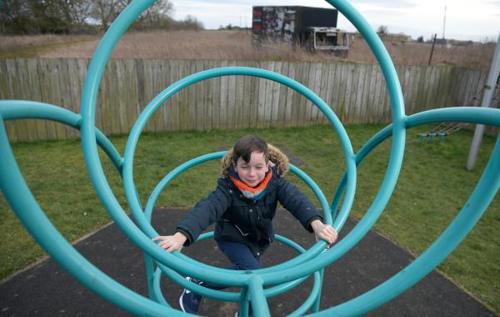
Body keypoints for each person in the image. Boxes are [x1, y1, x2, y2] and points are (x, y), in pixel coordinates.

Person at [153, 135, 338, 314]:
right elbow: (207, 209)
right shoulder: (228, 189)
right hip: (231, 238)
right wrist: (181, 235)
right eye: (245, 167)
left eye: (258, 167)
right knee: (254, 274)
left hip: (259, 240)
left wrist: (317, 224)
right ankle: (199, 284)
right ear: (235, 165)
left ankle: (244, 310)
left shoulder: (276, 184)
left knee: (250, 275)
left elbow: (296, 200)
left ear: (268, 165)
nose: (252, 174)